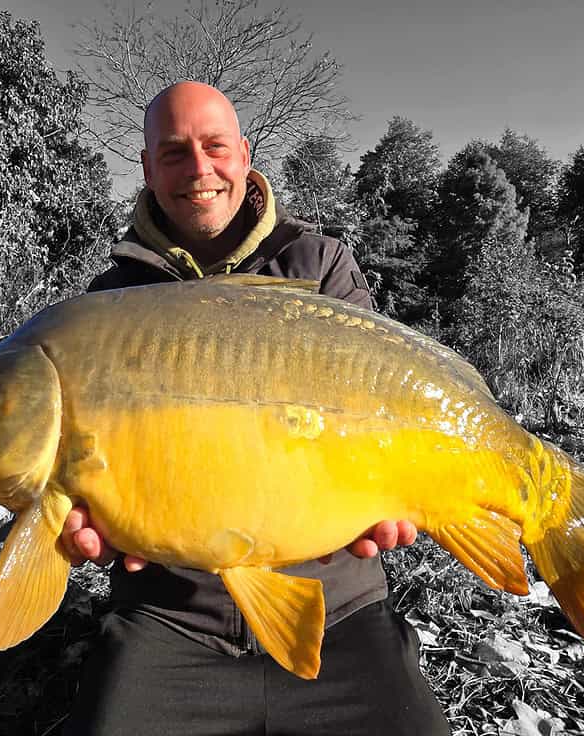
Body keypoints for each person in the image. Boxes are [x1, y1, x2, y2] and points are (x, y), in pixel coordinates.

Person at [60, 81, 450, 736]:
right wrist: (73, 516)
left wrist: (391, 493)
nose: (199, 170)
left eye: (215, 147)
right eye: (175, 153)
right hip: (170, 616)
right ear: (149, 167)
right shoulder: (110, 302)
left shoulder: (320, 265)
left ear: (244, 154)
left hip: (338, 607)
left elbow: (380, 400)